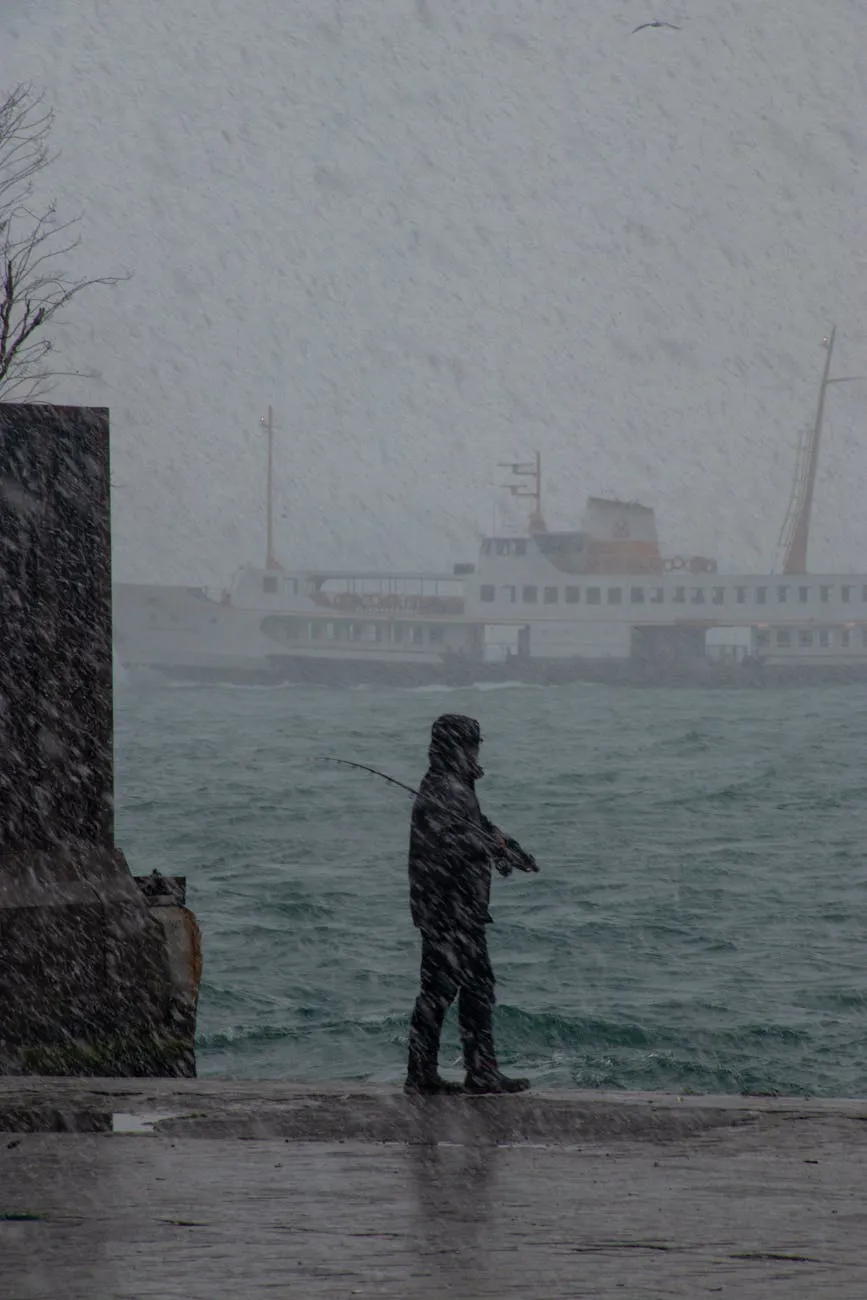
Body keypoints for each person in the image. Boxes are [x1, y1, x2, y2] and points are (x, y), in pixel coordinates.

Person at [405, 713, 539, 1096]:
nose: (476, 752)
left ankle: (429, 1074)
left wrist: (504, 844)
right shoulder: (446, 788)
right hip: (448, 909)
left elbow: (474, 826)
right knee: (464, 988)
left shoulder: (451, 785)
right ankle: (470, 1073)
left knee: (446, 990)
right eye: (472, 745)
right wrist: (491, 846)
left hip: (450, 907)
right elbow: (453, 842)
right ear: (457, 748)